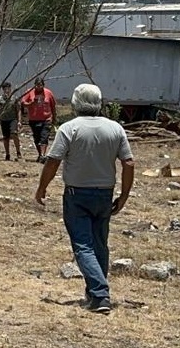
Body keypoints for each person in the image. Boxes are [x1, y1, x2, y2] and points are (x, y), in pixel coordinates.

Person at [35, 83, 134, 314]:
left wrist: (42, 187)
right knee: (100, 245)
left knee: (83, 246)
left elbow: (53, 161)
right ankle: (93, 294)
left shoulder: (69, 129)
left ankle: (100, 294)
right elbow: (128, 162)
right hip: (104, 193)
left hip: (76, 194)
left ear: (75, 102)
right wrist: (125, 194)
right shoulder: (115, 128)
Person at [22, 78, 58, 162]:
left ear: (43, 85)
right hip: (34, 119)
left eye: (40, 85)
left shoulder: (48, 93)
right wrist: (31, 103)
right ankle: (40, 154)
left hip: (46, 119)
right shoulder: (29, 92)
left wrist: (54, 118)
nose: (39, 87)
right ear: (34, 85)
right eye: (37, 85)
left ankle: (43, 155)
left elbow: (53, 106)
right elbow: (23, 103)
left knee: (44, 137)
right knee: (37, 138)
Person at [0, 81, 23, 161]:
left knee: (14, 134)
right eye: (5, 89)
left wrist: (19, 121)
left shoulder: (14, 98)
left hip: (13, 119)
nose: (7, 90)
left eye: (8, 88)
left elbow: (18, 110)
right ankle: (7, 154)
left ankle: (18, 151)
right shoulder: (0, 99)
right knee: (6, 138)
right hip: (4, 119)